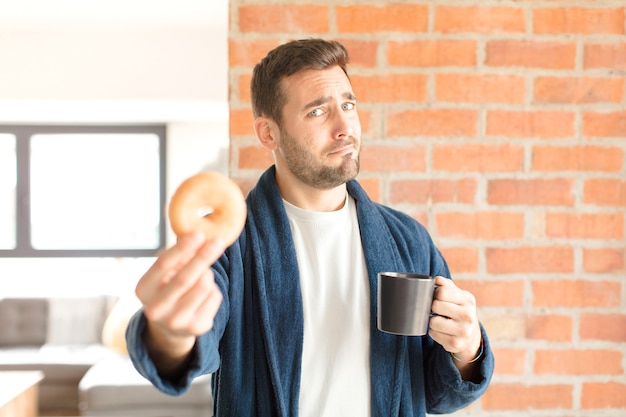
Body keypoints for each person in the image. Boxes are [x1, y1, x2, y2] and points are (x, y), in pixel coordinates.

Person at [126, 38, 494, 416]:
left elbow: (439, 396)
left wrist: (467, 348)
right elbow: (188, 349)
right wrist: (169, 334)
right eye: (318, 112)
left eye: (348, 105)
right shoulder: (229, 242)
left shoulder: (407, 239)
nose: (344, 127)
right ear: (268, 133)